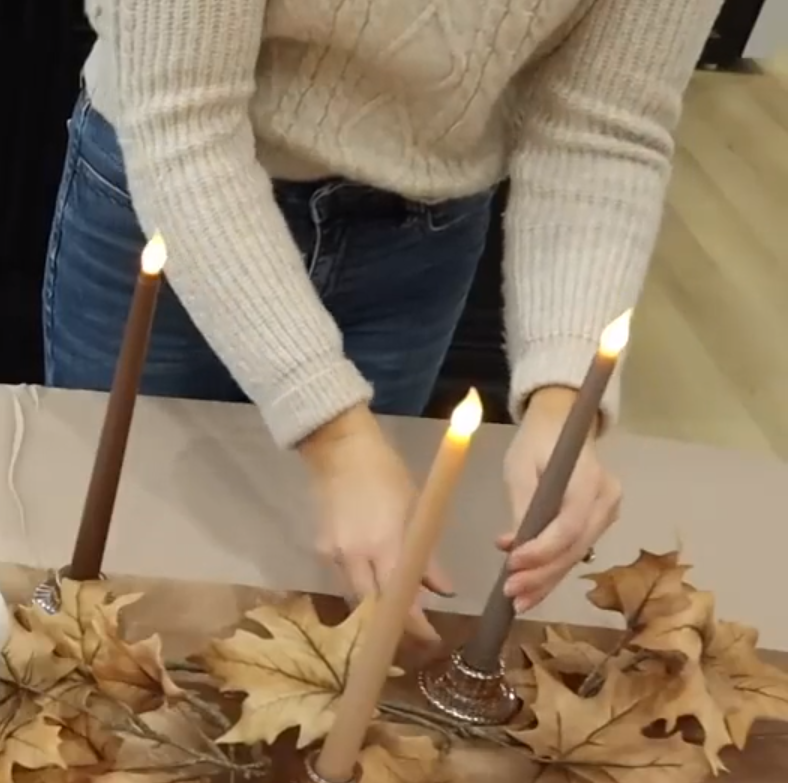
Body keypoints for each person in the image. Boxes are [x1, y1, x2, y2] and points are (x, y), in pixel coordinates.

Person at [44, 0, 719, 639]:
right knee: (112, 554)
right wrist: (336, 439)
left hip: (421, 233)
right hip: (167, 188)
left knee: (326, 569)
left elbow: (604, 129)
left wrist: (563, 397)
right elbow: (181, 120)